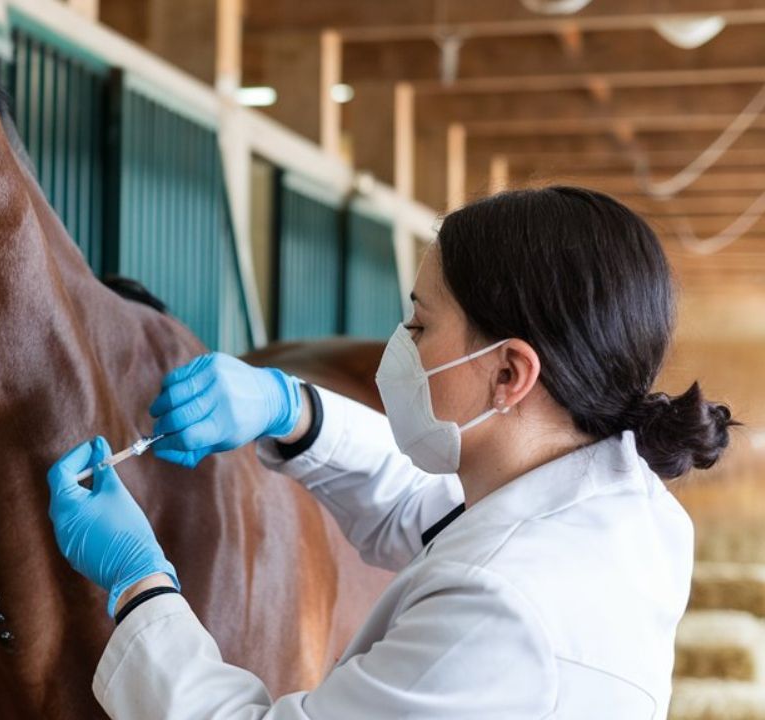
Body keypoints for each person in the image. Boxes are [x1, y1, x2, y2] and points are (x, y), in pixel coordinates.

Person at [45, 186, 736, 718]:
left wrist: (139, 583)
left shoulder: (501, 612)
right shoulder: (613, 511)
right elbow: (433, 517)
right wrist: (292, 410)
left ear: (509, 374)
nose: (400, 344)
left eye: (419, 324)